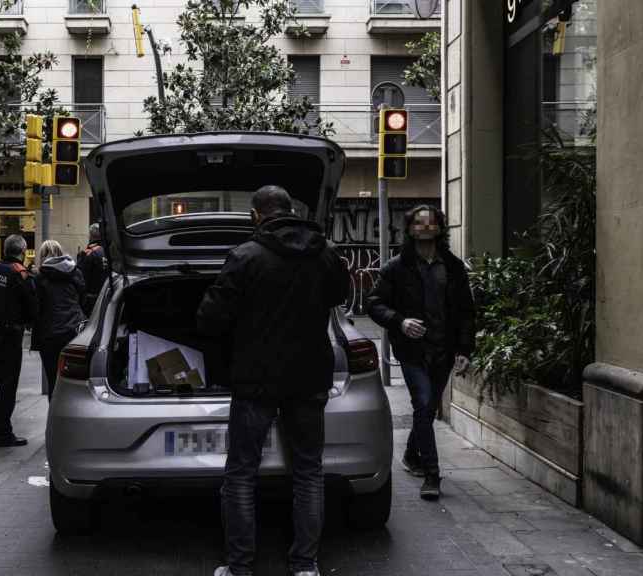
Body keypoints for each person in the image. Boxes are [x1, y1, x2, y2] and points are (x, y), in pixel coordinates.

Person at [197, 186, 348, 576]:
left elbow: (211, 318)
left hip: (255, 379)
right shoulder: (325, 255)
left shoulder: (245, 257)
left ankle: (240, 566)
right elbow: (340, 296)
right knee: (309, 471)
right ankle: (304, 565)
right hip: (310, 376)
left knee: (242, 472)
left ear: (255, 215)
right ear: (291, 210)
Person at [366, 205, 475, 500]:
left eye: (431, 223)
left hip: (444, 350)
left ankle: (412, 455)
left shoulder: (452, 267)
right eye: (419, 223)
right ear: (410, 229)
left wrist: (465, 349)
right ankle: (432, 474)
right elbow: (373, 303)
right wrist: (400, 321)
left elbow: (466, 312)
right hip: (413, 351)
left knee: (426, 410)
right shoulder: (396, 268)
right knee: (424, 403)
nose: (425, 227)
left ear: (440, 228)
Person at [0, 234, 38, 448]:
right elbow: (32, 308)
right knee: (7, 385)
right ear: (22, 252)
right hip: (9, 337)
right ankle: (3, 433)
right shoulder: (20, 274)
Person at [32, 240, 87, 396]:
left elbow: (37, 308)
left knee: (53, 381)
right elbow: (82, 299)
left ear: (42, 256)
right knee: (75, 381)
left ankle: (56, 416)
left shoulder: (39, 277)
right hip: (73, 331)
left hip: (49, 335)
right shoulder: (75, 272)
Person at [77, 223, 107, 313]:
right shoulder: (110, 252)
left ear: (90, 236)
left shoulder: (87, 253)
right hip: (107, 297)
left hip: (91, 301)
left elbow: (80, 279)